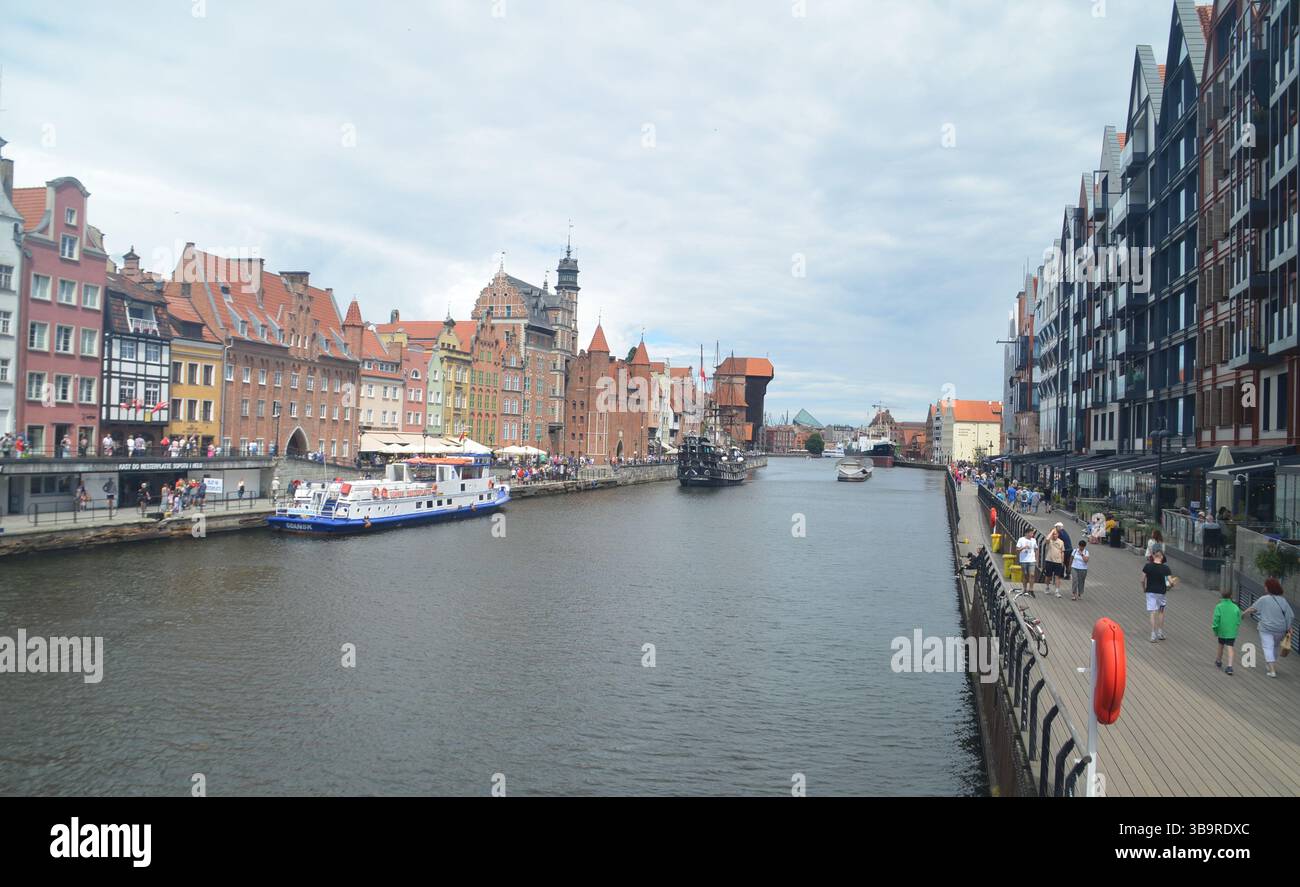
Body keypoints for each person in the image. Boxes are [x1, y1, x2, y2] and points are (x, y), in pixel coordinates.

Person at [1242, 579, 1296, 678]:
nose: (1265, 587)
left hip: (1266, 628)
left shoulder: (1264, 599)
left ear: (1269, 588)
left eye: (1266, 586)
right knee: (1274, 647)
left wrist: (1243, 614)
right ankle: (1270, 664)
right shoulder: (1283, 600)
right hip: (1280, 630)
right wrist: (1289, 627)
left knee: (1268, 647)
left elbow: (1253, 608)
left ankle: (1272, 670)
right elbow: (1290, 615)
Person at [1141, 550, 1174, 643]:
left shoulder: (1147, 566)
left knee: (1152, 612)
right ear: (1162, 557)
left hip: (1150, 592)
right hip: (1161, 593)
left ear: (1154, 556)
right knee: (1161, 611)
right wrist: (1170, 587)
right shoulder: (1166, 568)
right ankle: (1160, 632)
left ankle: (1153, 634)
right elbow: (1171, 582)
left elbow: (1142, 580)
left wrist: (1144, 588)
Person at [1212, 590, 1242, 676]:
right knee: (1230, 647)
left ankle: (1218, 660)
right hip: (1231, 631)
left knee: (1220, 645)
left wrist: (1215, 629)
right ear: (1231, 596)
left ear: (1222, 596)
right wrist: (1235, 626)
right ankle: (1230, 666)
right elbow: (1238, 619)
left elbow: (1216, 619)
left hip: (1222, 629)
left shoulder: (1219, 606)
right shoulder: (1235, 607)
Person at [1041, 527, 1066, 598]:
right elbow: (1047, 539)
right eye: (1054, 534)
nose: (1055, 535)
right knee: (1048, 576)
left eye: (1056, 534)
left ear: (1058, 534)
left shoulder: (1061, 542)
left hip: (1058, 561)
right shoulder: (1050, 541)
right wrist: (1052, 531)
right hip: (1049, 560)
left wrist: (1062, 561)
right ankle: (1047, 587)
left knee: (1057, 576)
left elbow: (1062, 552)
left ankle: (1057, 591)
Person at [1016, 528, 1038, 596]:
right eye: (1031, 533)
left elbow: (1036, 549)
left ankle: (1031, 589)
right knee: (1025, 575)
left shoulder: (1034, 540)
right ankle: (1024, 588)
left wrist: (1036, 559)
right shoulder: (1021, 539)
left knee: (1032, 574)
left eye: (1032, 533)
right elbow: (1017, 549)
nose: (1032, 535)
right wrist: (1024, 547)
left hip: (1032, 560)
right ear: (1027, 533)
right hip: (1023, 560)